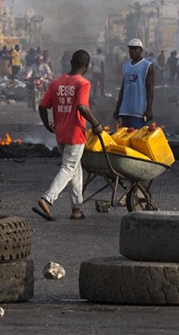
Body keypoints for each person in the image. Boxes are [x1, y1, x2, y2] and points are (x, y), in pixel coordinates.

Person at [32, 49, 103, 222]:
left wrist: (48, 124)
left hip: (60, 134)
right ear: (86, 66)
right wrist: (97, 124)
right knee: (69, 168)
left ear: (71, 62)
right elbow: (82, 107)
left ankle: (77, 209)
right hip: (75, 134)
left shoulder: (56, 82)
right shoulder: (83, 83)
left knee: (75, 169)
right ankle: (48, 199)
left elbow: (42, 106)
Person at [113, 38, 154, 129]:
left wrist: (149, 109)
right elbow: (123, 89)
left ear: (141, 50)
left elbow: (150, 88)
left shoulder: (147, 66)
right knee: (125, 139)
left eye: (135, 49)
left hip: (139, 112)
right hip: (125, 111)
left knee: (136, 139)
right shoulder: (126, 66)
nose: (133, 51)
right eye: (131, 49)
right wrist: (117, 108)